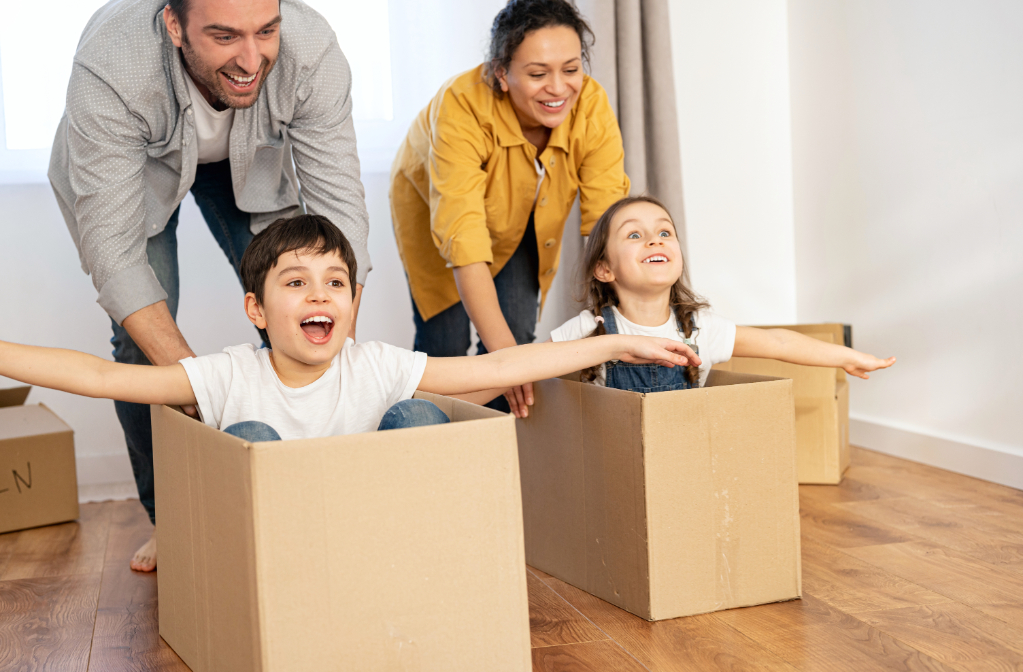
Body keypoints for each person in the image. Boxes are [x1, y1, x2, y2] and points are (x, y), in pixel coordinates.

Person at [47, 0, 370, 571]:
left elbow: (338, 219)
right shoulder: (112, 62)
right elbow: (115, 255)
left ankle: (298, 503)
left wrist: (331, 334)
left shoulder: (311, 48)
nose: (252, 57)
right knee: (139, 349)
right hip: (134, 168)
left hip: (251, 162)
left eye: (266, 31)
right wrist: (198, 386)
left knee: (305, 315)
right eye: (224, 36)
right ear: (175, 25)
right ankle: (171, 519)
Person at [0, 215, 700, 448]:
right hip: (274, 542)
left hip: (368, 529)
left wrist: (613, 342)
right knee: (247, 443)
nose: (320, 295)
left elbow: (491, 370)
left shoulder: (374, 364)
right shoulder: (227, 374)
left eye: (335, 283)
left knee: (424, 415)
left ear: (352, 305)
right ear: (256, 311)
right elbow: (102, 377)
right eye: (296, 283)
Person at [390, 0, 629, 414]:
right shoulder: (460, 106)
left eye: (571, 69)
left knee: (514, 335)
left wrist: (626, 320)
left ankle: (496, 454)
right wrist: (510, 365)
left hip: (524, 216)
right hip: (439, 213)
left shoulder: (591, 106)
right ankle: (428, 449)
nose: (558, 88)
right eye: (538, 74)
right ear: (502, 73)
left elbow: (607, 225)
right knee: (445, 344)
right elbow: (463, 240)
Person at [546, 197, 896, 392]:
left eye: (665, 232)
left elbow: (779, 344)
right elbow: (531, 365)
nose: (655, 240)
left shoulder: (699, 329)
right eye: (634, 236)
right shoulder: (590, 328)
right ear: (605, 269)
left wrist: (844, 356)